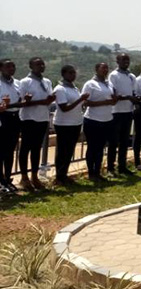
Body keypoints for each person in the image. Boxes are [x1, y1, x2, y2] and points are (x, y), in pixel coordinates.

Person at [17, 57, 55, 191]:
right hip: (29, 118)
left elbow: (48, 99)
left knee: (36, 149)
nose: (41, 66)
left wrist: (50, 100)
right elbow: (22, 102)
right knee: (25, 148)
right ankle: (24, 177)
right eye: (38, 64)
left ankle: (34, 176)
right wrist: (40, 102)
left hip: (42, 118)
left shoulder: (47, 81)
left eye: (42, 64)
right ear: (31, 66)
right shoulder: (25, 82)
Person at [52, 65, 88, 185]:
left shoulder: (74, 88)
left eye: (74, 73)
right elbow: (64, 108)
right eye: (70, 73)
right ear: (64, 74)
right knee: (63, 150)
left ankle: (64, 174)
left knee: (69, 150)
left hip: (75, 122)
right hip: (64, 123)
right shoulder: (60, 89)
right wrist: (80, 99)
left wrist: (82, 101)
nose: (73, 75)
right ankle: (59, 176)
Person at [82, 63, 117, 181]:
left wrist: (114, 100)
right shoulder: (90, 84)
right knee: (92, 147)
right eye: (103, 68)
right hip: (93, 120)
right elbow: (85, 102)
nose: (105, 70)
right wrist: (105, 102)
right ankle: (91, 173)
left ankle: (97, 171)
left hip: (107, 120)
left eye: (107, 68)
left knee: (100, 148)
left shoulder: (109, 84)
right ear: (96, 69)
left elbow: (112, 101)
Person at [106, 53, 136, 175]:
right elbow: (113, 94)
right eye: (123, 60)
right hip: (116, 112)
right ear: (117, 61)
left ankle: (122, 166)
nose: (126, 62)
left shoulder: (131, 76)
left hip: (128, 111)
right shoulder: (113, 75)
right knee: (113, 142)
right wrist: (127, 97)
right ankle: (110, 168)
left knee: (124, 141)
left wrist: (134, 100)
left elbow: (133, 92)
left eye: (127, 60)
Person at [0, 59, 22, 192]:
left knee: (10, 151)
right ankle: (1, 181)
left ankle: (8, 179)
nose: (11, 68)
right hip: (2, 118)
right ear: (1, 69)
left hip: (15, 118)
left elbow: (19, 100)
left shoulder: (18, 83)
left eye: (13, 66)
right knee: (1, 151)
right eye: (8, 66)